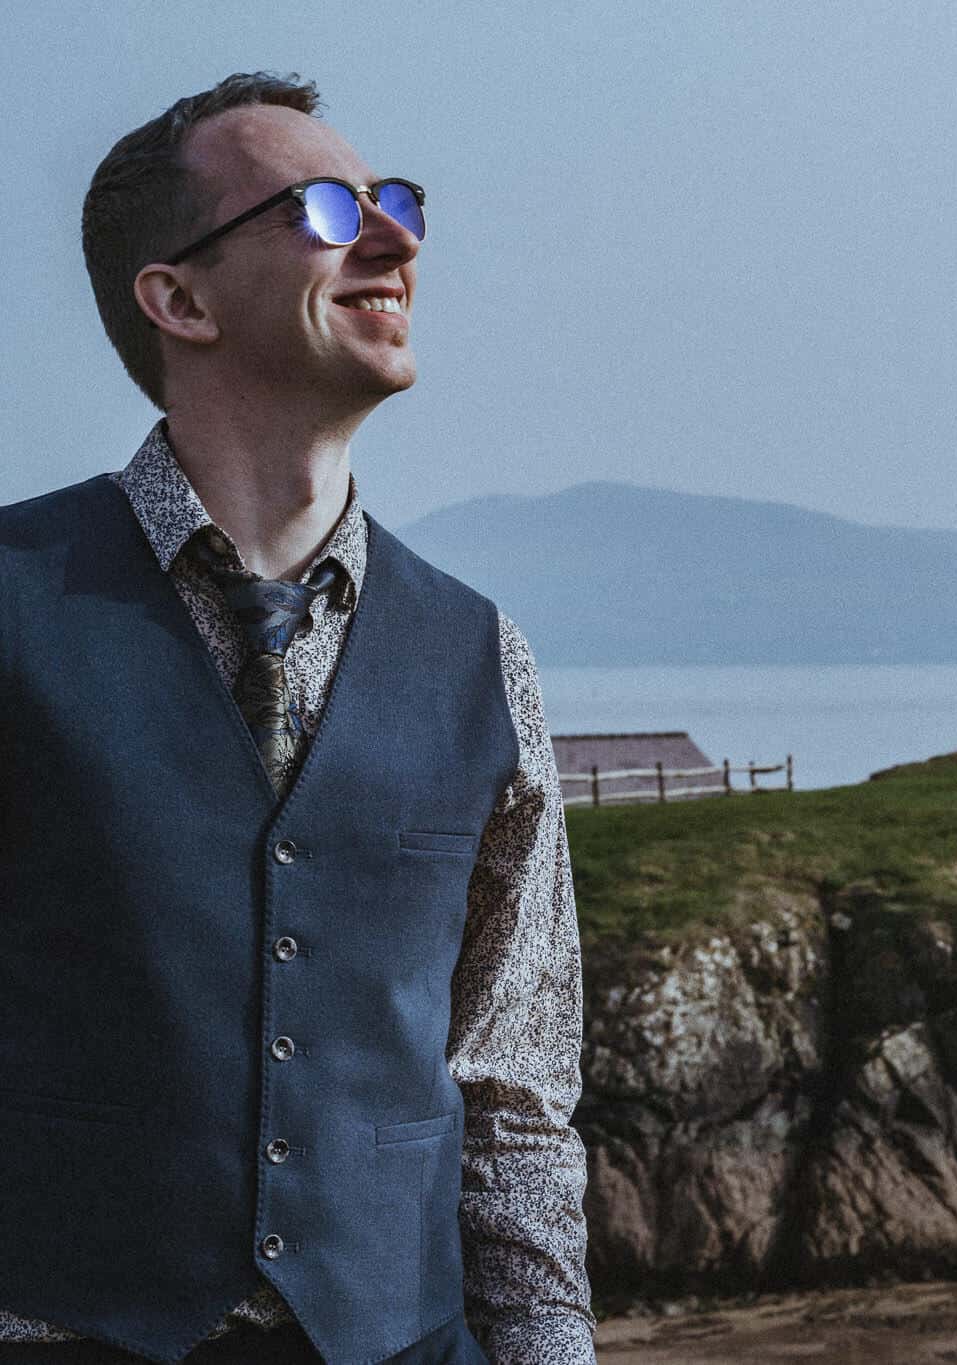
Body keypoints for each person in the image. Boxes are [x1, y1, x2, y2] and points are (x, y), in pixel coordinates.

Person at [0, 75, 594, 1361]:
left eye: (395, 202)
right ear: (180, 298)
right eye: (326, 208)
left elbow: (513, 1096)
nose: (394, 237)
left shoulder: (483, 657)